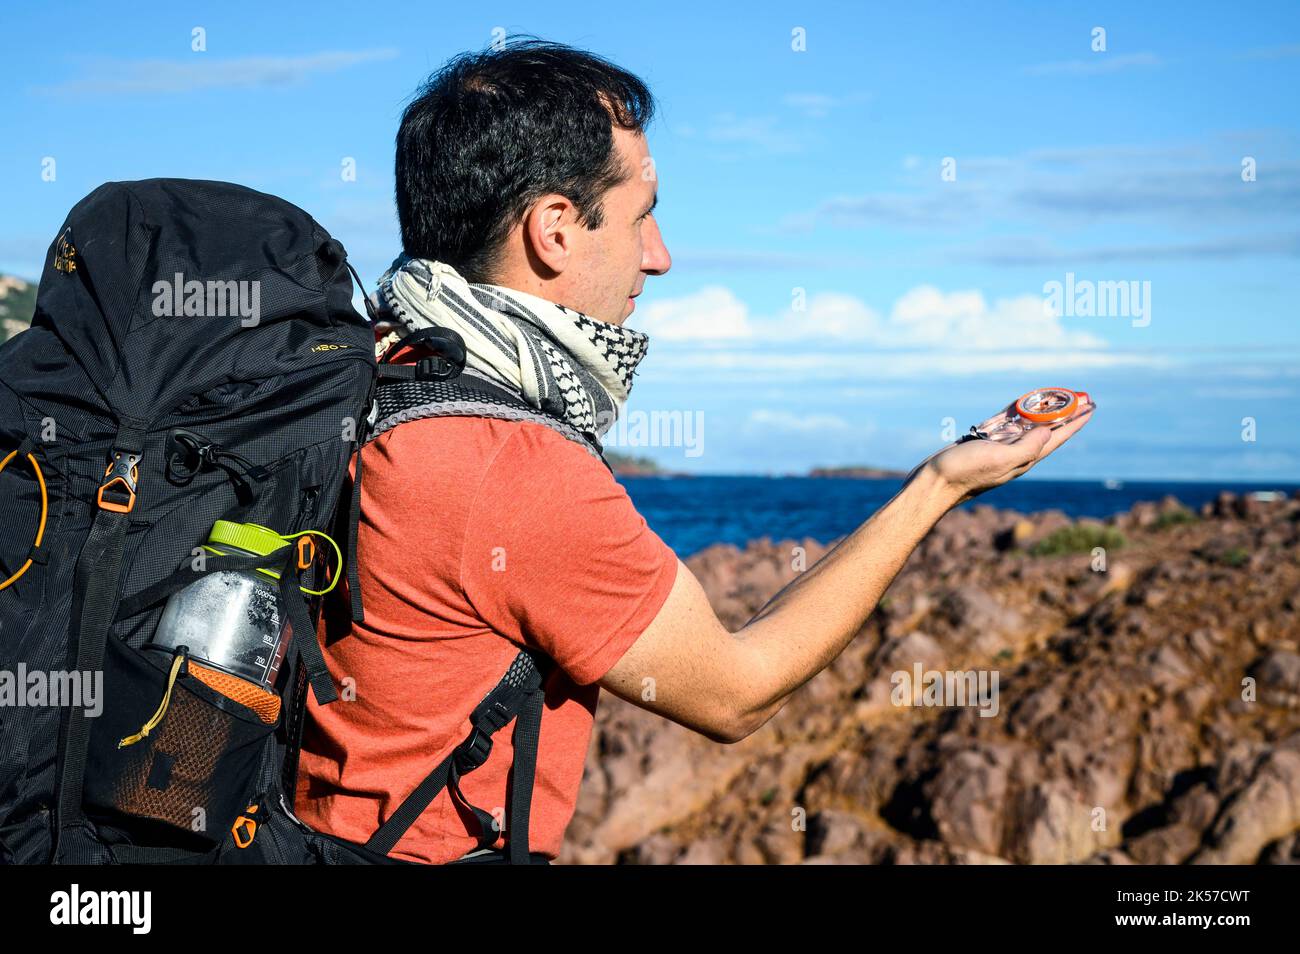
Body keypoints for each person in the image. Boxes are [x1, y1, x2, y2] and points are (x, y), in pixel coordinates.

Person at [294, 37, 1092, 865]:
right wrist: (937, 487)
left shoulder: (368, 377)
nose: (660, 256)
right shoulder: (511, 464)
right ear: (556, 230)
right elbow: (738, 695)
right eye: (642, 215)